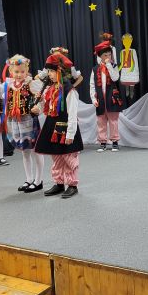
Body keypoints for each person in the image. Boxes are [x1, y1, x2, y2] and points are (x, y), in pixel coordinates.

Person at [33, 51, 83, 199]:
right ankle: (59, 183)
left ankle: (72, 185)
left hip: (66, 128)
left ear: (60, 71)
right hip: (53, 127)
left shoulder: (70, 91)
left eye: (51, 71)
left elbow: (72, 114)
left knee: (69, 157)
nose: (49, 74)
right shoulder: (50, 89)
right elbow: (47, 107)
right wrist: (39, 104)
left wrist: (70, 134)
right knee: (56, 156)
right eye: (48, 71)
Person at [4, 54, 43, 193]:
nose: (19, 74)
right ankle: (29, 179)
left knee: (35, 150)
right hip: (16, 122)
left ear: (27, 71)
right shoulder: (9, 85)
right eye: (16, 71)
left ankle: (38, 180)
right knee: (25, 152)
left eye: (22, 71)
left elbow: (41, 99)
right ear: (11, 71)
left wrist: (39, 108)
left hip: (29, 121)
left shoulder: (31, 84)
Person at [90, 40, 123, 152]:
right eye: (105, 55)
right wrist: (93, 98)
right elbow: (92, 85)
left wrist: (109, 65)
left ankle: (115, 142)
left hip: (112, 97)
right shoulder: (95, 69)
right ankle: (102, 142)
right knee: (101, 121)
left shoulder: (113, 66)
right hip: (100, 98)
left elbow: (115, 78)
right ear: (100, 56)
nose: (108, 57)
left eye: (109, 54)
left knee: (113, 121)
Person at [119, 33, 140, 101]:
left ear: (131, 41)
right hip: (125, 68)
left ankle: (131, 91)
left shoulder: (133, 51)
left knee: (132, 81)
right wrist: (119, 69)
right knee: (126, 80)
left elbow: (135, 60)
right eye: (125, 41)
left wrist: (134, 69)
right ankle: (127, 90)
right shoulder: (122, 51)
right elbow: (121, 62)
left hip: (132, 68)